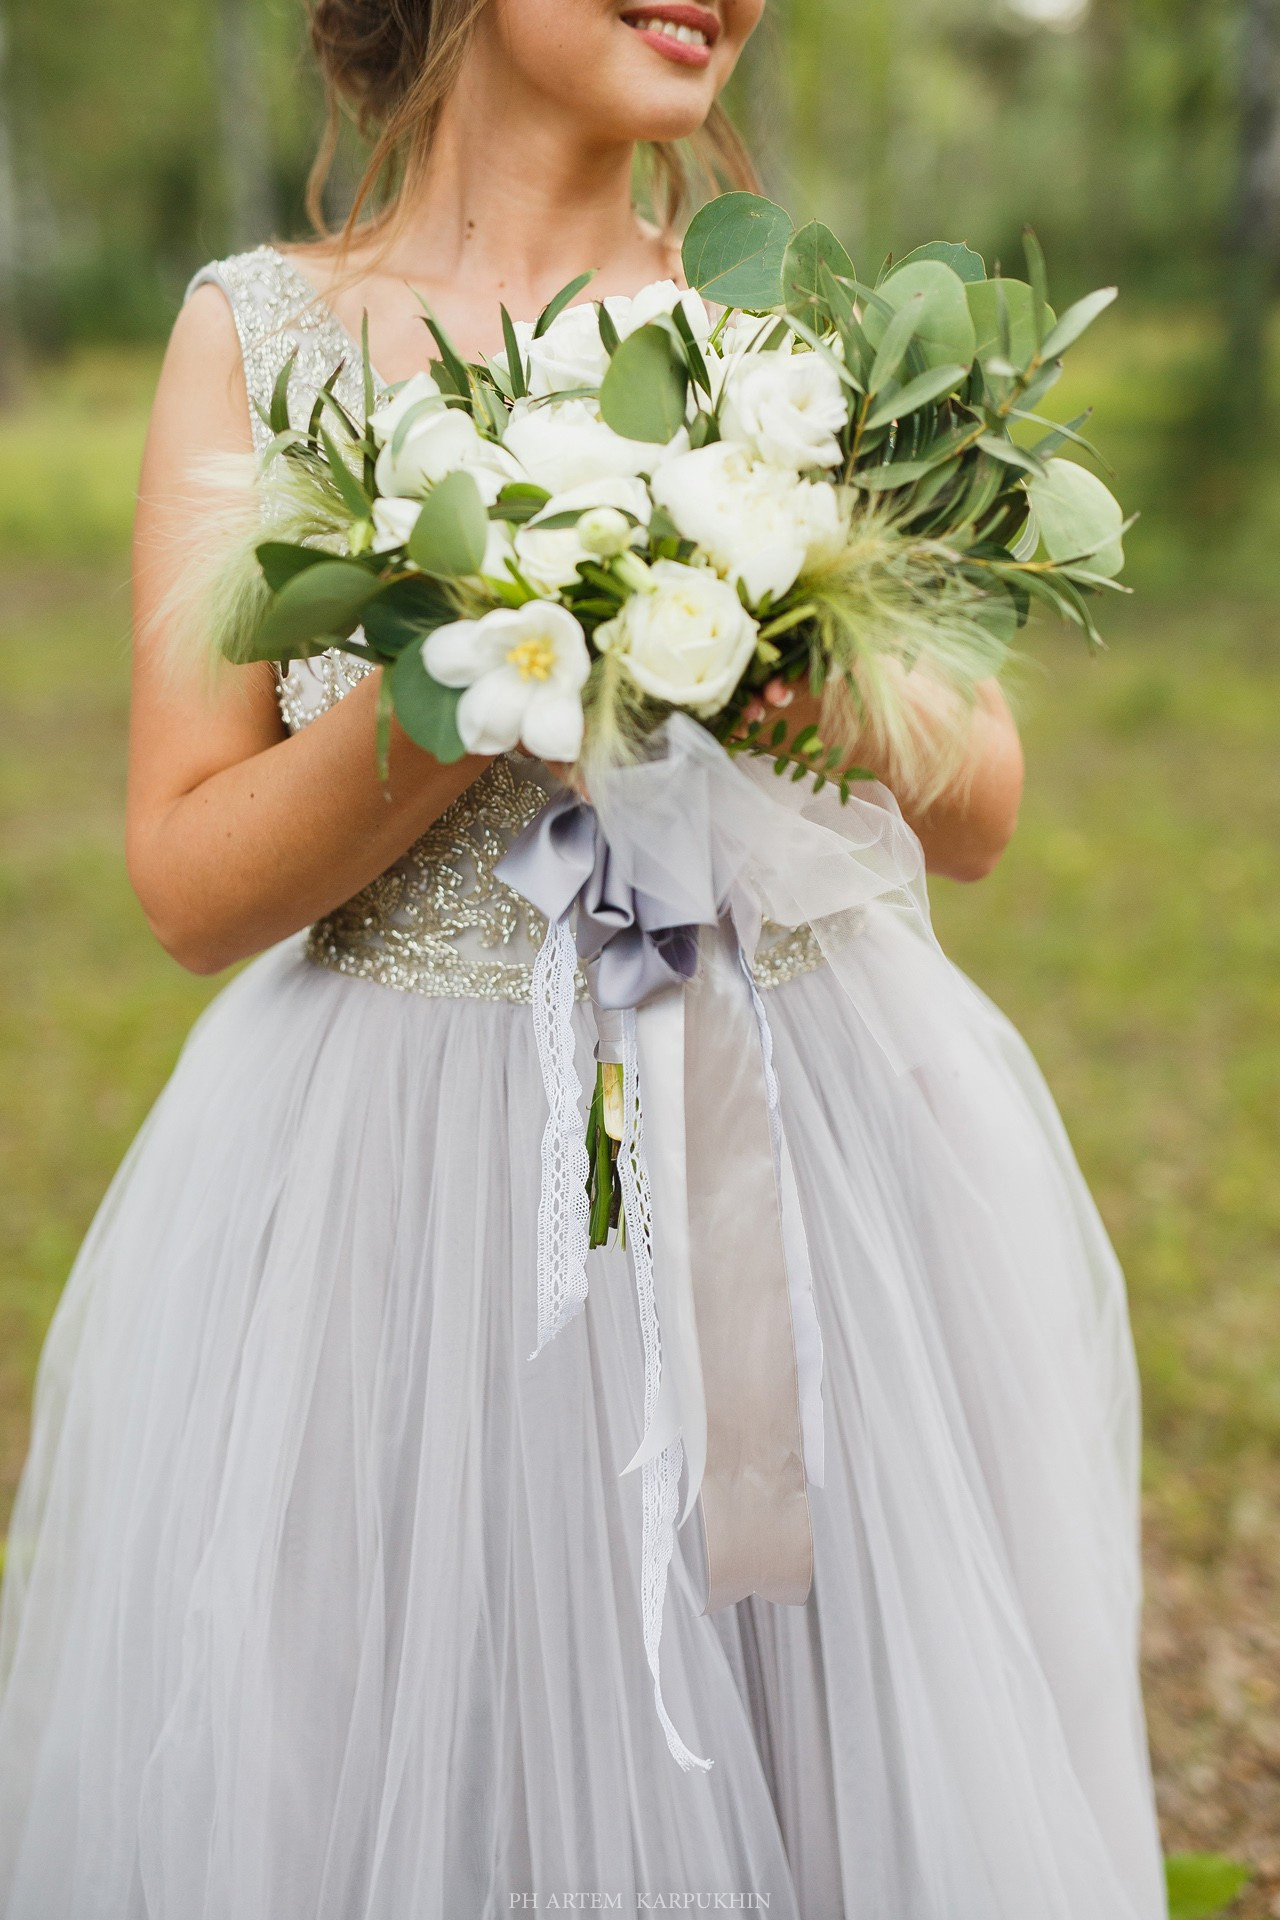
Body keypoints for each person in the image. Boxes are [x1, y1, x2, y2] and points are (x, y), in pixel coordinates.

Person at [0, 1, 1169, 1914]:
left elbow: (986, 804)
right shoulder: (263, 340)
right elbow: (186, 879)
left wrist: (800, 654)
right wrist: (479, 672)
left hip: (788, 1131)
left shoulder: (780, 355)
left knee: (814, 1719)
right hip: (404, 1175)